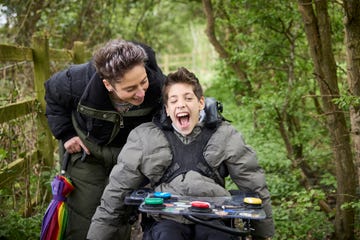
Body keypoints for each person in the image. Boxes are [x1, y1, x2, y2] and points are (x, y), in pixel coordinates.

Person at [87, 67, 275, 240]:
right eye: (174, 100)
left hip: (214, 218)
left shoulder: (225, 134)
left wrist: (262, 234)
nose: (181, 105)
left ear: (201, 103)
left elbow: (254, 185)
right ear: (167, 109)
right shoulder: (144, 137)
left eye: (188, 98)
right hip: (165, 221)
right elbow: (116, 192)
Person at [44, 39, 165, 240]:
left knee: (118, 213)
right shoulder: (75, 81)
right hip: (87, 153)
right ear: (107, 84)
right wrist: (66, 134)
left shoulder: (158, 83)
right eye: (130, 89)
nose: (141, 93)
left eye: (143, 82)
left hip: (128, 156)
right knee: (84, 217)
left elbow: (170, 113)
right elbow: (53, 95)